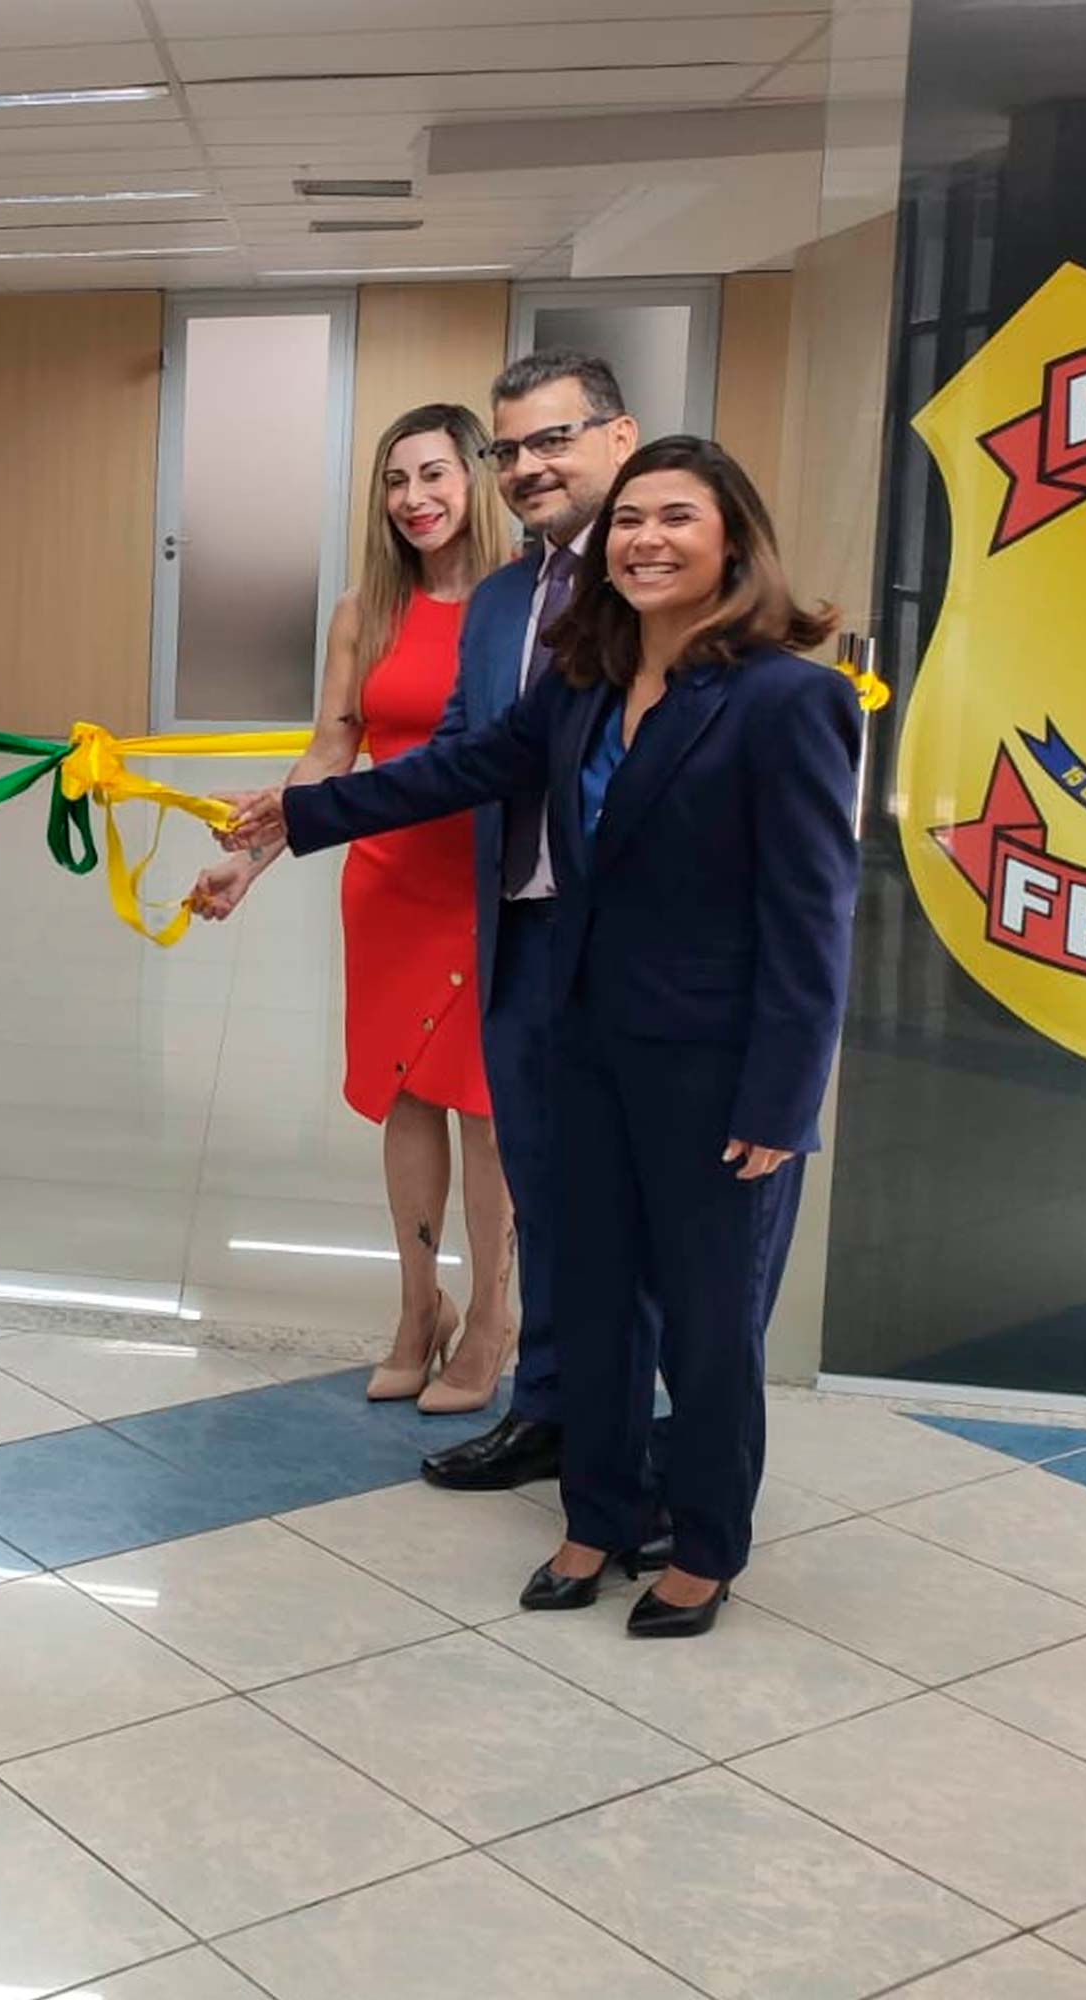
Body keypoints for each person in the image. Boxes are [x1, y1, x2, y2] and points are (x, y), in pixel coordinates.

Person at [225, 436, 859, 1638]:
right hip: (583, 1043)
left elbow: (813, 917)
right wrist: (301, 814)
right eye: (631, 522)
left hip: (715, 1070)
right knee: (597, 1296)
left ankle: (706, 1543)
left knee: (709, 1322)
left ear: (735, 540)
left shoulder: (787, 699)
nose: (647, 540)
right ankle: (597, 1515)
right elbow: (458, 767)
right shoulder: (581, 683)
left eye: (678, 517)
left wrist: (783, 1099)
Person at [191, 403, 519, 1407]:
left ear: (475, 478)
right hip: (389, 882)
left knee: (488, 1109)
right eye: (395, 480)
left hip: (491, 881)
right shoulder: (363, 611)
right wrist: (252, 861)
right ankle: (420, 1308)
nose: (414, 499)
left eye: (434, 474)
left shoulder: (524, 601)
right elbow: (330, 752)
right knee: (406, 1092)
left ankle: (493, 1314)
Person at [403, 350, 643, 1495]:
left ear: (619, 437)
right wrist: (297, 818)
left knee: (631, 1212)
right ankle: (546, 1409)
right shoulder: (503, 600)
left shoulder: (658, 580)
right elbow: (465, 753)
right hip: (520, 934)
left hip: (633, 954)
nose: (527, 467)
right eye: (510, 448)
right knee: (542, 1188)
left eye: (554, 438)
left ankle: (633, 1447)